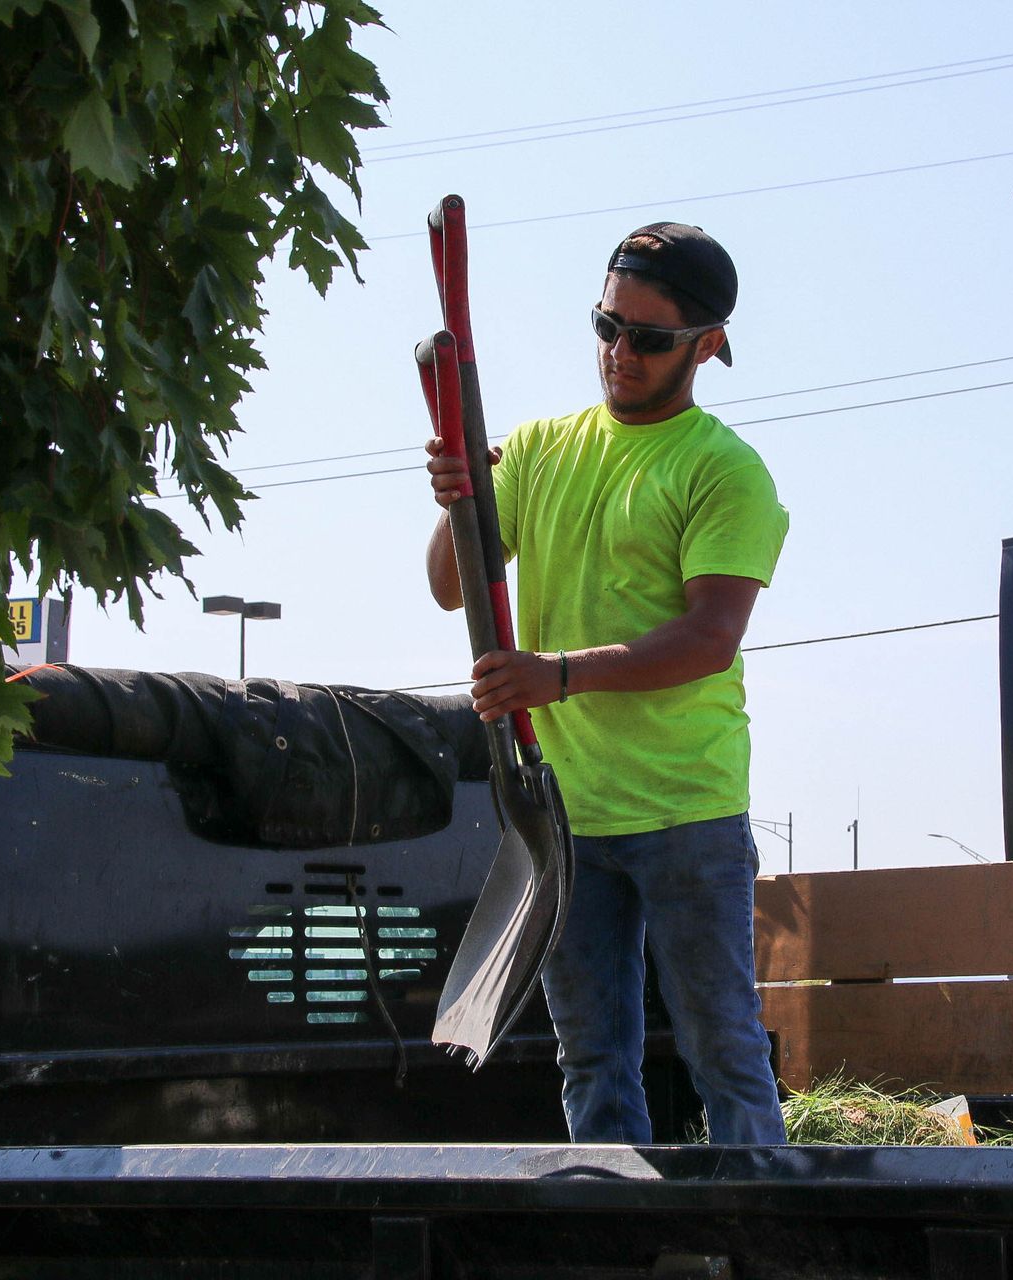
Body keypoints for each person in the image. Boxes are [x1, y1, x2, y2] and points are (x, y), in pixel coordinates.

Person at [423, 223, 789, 1145]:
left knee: (721, 1053)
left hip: (687, 814)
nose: (619, 354)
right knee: (591, 1058)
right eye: (607, 326)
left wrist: (556, 676)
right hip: (568, 816)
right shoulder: (542, 447)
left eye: (649, 338)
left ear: (707, 344)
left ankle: (763, 1231)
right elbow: (446, 583)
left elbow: (710, 639)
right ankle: (618, 1238)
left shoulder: (723, 471)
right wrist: (458, 501)